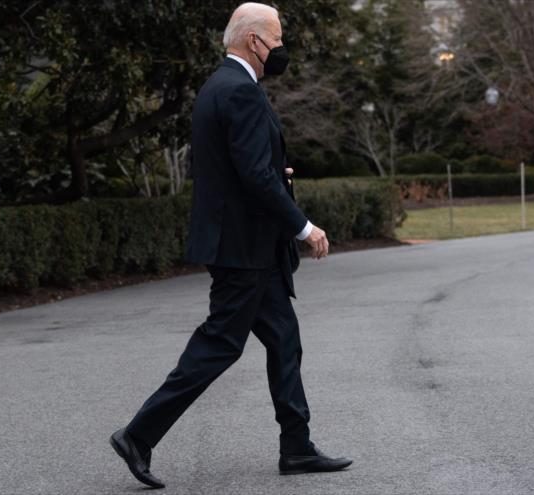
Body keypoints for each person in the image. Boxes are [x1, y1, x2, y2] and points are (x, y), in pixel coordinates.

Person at [109, 2, 352, 489]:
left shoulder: (224, 84)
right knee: (219, 344)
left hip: (249, 246)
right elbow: (254, 175)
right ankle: (138, 435)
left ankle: (297, 447)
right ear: (252, 40)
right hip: (244, 250)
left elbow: (238, 167)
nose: (281, 47)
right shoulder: (239, 89)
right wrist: (304, 227)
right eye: (276, 38)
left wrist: (272, 173)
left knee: (284, 339)